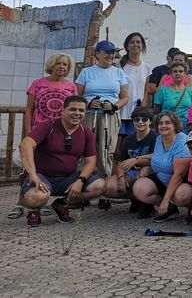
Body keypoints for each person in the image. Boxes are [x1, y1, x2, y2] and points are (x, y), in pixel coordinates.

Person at [18, 96, 107, 227]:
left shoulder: (86, 132)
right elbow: (25, 144)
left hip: (68, 178)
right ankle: (33, 209)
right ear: (63, 111)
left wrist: (80, 181)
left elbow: (90, 161)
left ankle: (61, 204)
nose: (77, 113)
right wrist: (33, 175)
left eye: (81, 110)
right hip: (41, 177)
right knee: (35, 198)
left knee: (100, 185)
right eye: (73, 109)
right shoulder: (49, 126)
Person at [10, 53, 77, 220]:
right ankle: (21, 203)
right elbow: (29, 110)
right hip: (37, 132)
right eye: (58, 64)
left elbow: (73, 111)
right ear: (51, 65)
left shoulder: (71, 87)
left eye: (65, 65)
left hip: (58, 134)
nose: (62, 67)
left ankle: (43, 202)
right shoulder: (37, 84)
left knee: (46, 168)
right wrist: (27, 132)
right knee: (29, 167)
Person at [75, 40, 129, 189]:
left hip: (110, 115)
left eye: (112, 53)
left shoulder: (118, 72)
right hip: (90, 115)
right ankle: (84, 185)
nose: (110, 55)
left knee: (107, 149)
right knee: (87, 148)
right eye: (106, 52)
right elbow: (76, 95)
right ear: (97, 54)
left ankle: (105, 187)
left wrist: (114, 106)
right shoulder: (87, 72)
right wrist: (88, 103)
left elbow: (125, 97)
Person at [131, 111, 192, 222]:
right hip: (162, 179)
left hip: (181, 181)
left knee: (182, 195)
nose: (163, 126)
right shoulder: (159, 139)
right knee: (139, 188)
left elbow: (179, 174)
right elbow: (158, 157)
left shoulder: (182, 140)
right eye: (161, 123)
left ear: (175, 125)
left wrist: (166, 199)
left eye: (167, 123)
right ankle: (170, 208)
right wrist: (137, 160)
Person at [105, 106, 157, 212]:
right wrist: (120, 177)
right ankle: (137, 199)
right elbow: (121, 162)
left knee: (143, 171)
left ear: (150, 121)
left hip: (151, 172)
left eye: (144, 119)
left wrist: (136, 160)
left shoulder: (155, 137)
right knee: (109, 187)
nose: (140, 122)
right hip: (132, 172)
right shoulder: (129, 139)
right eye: (137, 119)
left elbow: (155, 158)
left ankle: (147, 203)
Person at [117, 33, 152, 162]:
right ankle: (114, 173)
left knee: (130, 144)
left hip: (136, 112)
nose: (135, 44)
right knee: (116, 145)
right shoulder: (119, 66)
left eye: (138, 42)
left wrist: (143, 106)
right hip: (121, 110)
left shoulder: (147, 67)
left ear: (142, 45)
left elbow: (145, 90)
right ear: (127, 46)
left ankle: (127, 170)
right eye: (132, 42)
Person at [153, 62, 192, 130]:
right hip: (167, 126)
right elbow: (156, 111)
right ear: (171, 74)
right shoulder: (162, 90)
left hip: (185, 127)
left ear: (184, 74)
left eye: (180, 71)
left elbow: (191, 110)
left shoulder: (189, 91)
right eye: (175, 71)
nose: (178, 73)